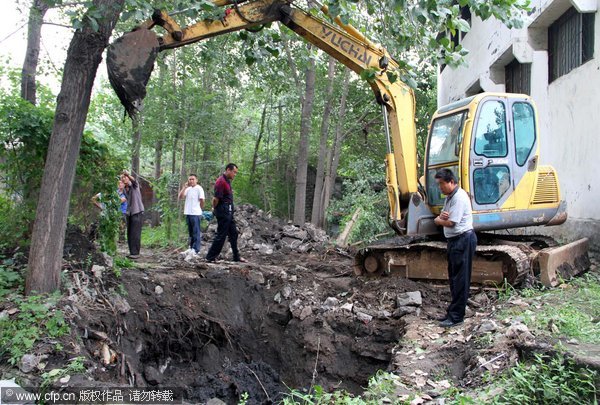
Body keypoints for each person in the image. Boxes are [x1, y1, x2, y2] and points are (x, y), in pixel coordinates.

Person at [433, 168, 477, 328]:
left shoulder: (458, 198)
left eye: (442, 184)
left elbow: (451, 222)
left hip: (462, 240)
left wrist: (438, 221)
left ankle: (457, 317)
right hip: (455, 241)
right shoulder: (450, 197)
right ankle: (452, 312)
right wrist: (441, 217)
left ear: (451, 182)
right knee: (454, 278)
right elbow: (445, 215)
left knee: (460, 280)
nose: (440, 188)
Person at [205, 163, 246, 263]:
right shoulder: (221, 181)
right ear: (228, 170)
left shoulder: (227, 181)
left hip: (229, 210)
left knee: (233, 233)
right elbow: (216, 198)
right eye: (234, 172)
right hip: (223, 210)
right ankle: (210, 257)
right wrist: (214, 209)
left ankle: (236, 257)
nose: (235, 175)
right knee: (221, 234)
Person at [178, 174, 205, 255]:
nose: (191, 181)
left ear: (196, 180)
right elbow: (180, 197)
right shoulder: (188, 189)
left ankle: (196, 250)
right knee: (190, 232)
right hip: (188, 213)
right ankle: (191, 248)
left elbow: (202, 200)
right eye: (190, 179)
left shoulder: (199, 188)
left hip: (196, 213)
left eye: (193, 179)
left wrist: (199, 209)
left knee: (196, 232)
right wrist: (184, 187)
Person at [121, 170, 144, 259]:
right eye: (123, 178)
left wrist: (127, 174)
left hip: (137, 211)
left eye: (125, 177)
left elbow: (134, 180)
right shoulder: (124, 190)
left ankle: (135, 253)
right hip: (129, 213)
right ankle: (132, 252)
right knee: (130, 233)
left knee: (135, 233)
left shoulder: (135, 186)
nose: (124, 179)